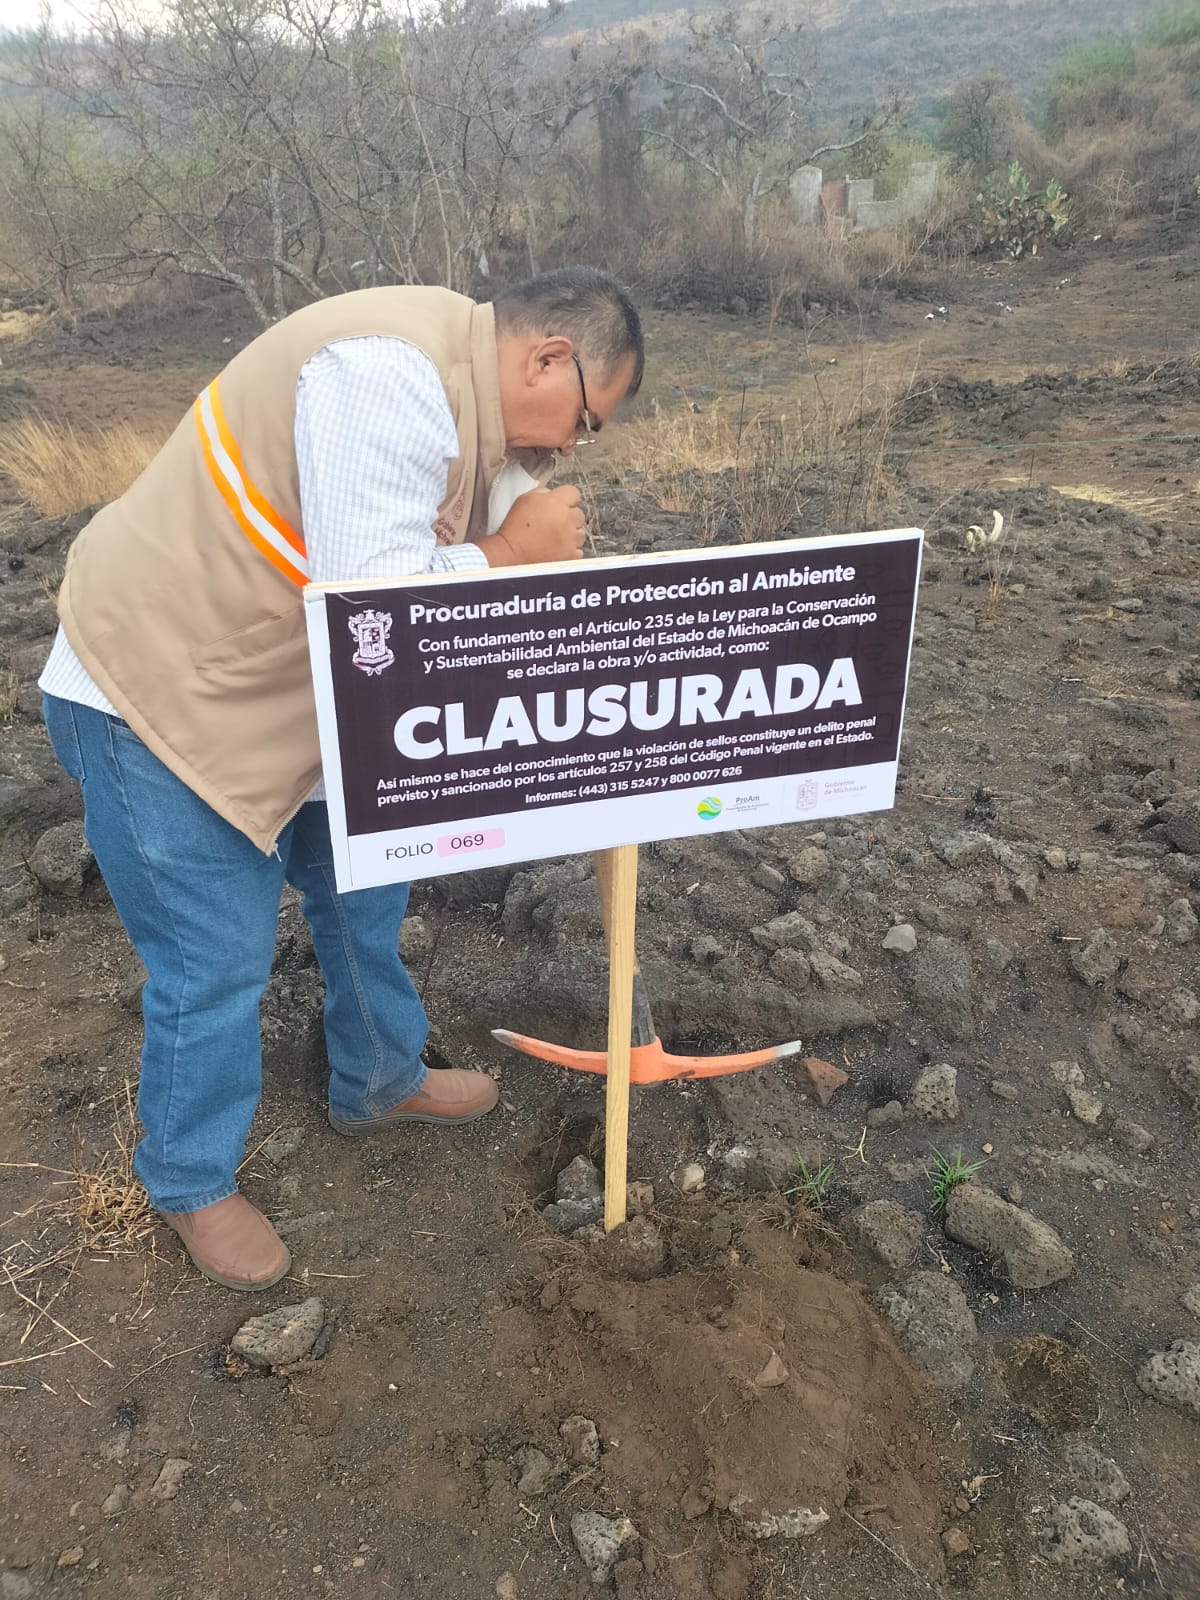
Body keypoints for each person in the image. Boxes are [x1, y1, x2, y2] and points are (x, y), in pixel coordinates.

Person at [39, 267, 644, 1292]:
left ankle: (379, 1077)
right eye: (584, 420)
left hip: (287, 691)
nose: (570, 448)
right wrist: (503, 555)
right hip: (160, 691)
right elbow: (375, 608)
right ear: (547, 357)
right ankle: (187, 1178)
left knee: (367, 881)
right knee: (212, 959)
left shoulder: (475, 401)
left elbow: (501, 522)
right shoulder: (386, 374)